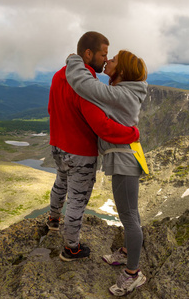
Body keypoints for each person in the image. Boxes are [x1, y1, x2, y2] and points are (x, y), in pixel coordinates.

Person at [47, 31, 140, 263]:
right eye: (103, 54)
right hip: (80, 151)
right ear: (88, 54)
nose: (105, 60)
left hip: (58, 145)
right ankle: (72, 248)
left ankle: (52, 219)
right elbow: (101, 126)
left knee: (61, 182)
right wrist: (132, 133)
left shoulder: (60, 75)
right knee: (77, 199)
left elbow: (51, 108)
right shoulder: (86, 84)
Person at [65, 50, 148, 296]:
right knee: (130, 212)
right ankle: (125, 253)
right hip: (126, 157)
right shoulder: (127, 92)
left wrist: (74, 59)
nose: (108, 60)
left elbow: (85, 85)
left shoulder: (120, 94)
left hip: (124, 160)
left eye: (113, 61)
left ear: (121, 72)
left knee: (129, 216)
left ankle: (133, 273)